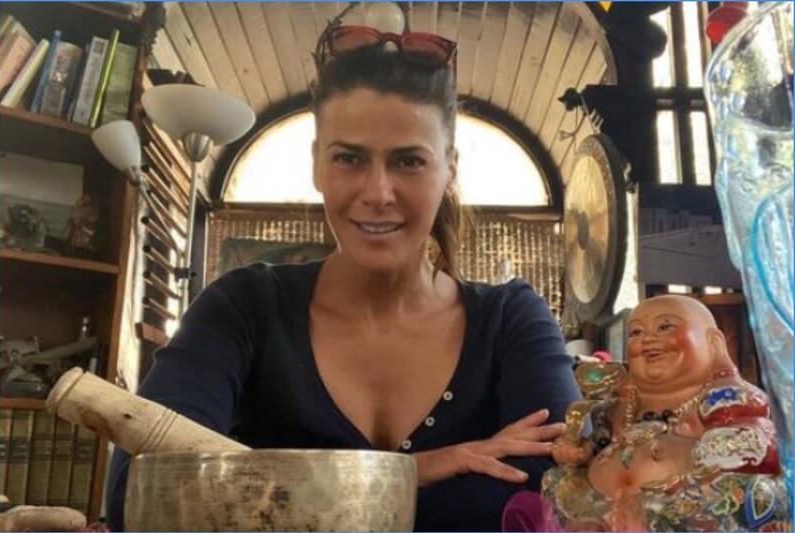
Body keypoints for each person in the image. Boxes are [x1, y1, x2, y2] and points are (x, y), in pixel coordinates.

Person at [106, 17, 579, 532]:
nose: (377, 193)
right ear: (317, 163)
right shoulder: (243, 307)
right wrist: (418, 471)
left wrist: (262, 491)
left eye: (408, 162)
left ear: (450, 168)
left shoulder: (511, 319)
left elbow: (564, 491)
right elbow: (141, 491)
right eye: (349, 158)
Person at [542, 295, 786, 532]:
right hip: (605, 507)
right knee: (557, 480)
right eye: (636, 332)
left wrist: (700, 449)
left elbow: (759, 443)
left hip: (684, 511)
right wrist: (579, 452)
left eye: (665, 327)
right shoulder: (619, 405)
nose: (648, 339)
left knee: (752, 491)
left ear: (713, 342)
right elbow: (599, 442)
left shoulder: (724, 395)